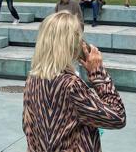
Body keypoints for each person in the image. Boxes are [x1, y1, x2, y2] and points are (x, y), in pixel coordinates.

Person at [23, 12, 126, 151]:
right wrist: (98, 74)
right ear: (70, 43)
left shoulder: (32, 79)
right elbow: (117, 117)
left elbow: (27, 126)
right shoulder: (71, 85)